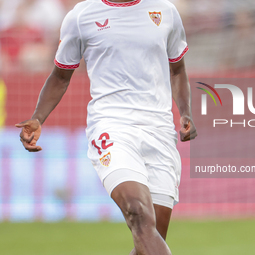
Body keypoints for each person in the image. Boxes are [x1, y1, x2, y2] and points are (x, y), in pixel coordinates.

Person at [16, 0, 197, 254]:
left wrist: (186, 111)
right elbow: (60, 75)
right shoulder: (82, 16)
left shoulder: (165, 11)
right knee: (138, 212)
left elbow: (177, 69)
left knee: (148, 238)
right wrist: (38, 117)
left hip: (159, 131)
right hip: (111, 125)